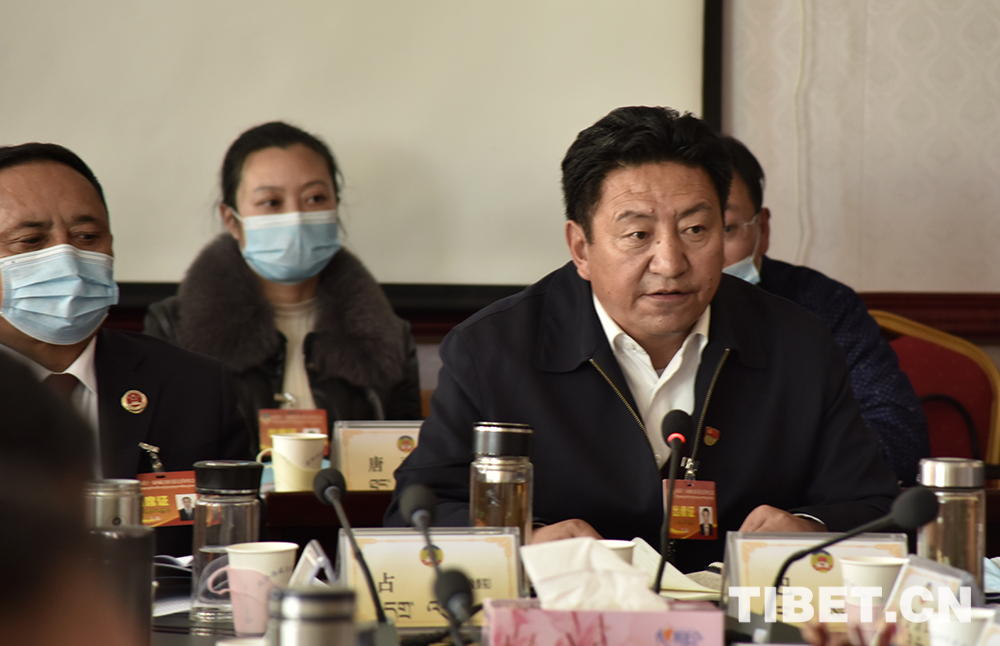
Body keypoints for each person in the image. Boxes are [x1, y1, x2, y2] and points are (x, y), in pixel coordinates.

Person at [385, 106, 899, 572]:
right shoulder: (493, 351)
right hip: (570, 618)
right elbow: (417, 516)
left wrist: (809, 530)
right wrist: (524, 544)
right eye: (638, 235)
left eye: (696, 230)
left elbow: (876, 507)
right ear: (581, 248)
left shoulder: (798, 343)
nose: (671, 263)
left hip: (741, 619)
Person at [0, 142, 251, 555]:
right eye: (30, 241)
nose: (68, 259)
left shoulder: (196, 388)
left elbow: (235, 561)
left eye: (87, 236)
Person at [145, 122, 421, 451]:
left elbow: (409, 461)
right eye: (272, 202)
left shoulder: (389, 337)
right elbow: (165, 456)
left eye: (315, 198)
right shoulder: (173, 330)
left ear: (335, 207)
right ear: (232, 220)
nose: (296, 217)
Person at [718, 135, 929, 486]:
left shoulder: (821, 306)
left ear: (762, 229)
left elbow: (898, 442)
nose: (706, 253)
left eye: (725, 228)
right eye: (692, 229)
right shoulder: (628, 316)